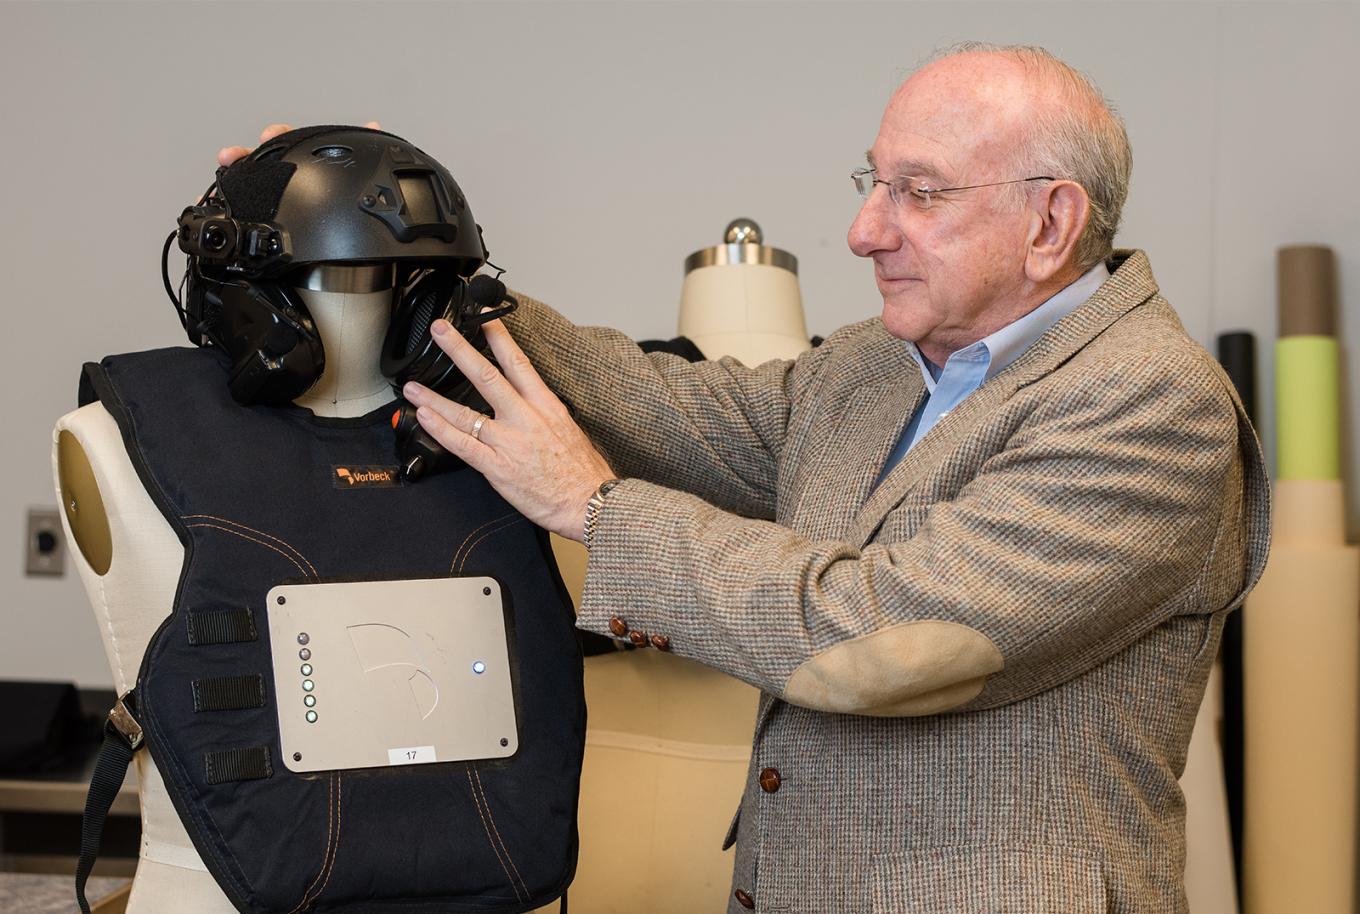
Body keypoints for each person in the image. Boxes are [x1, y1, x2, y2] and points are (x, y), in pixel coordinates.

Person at [225, 43, 1269, 912]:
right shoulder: (876, 363)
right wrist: (421, 261)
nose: (865, 230)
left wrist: (592, 508)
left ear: (1050, 222)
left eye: (919, 192)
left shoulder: (1150, 404)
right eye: (873, 183)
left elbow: (883, 639)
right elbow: (674, 412)